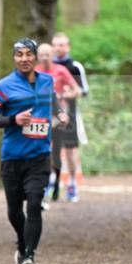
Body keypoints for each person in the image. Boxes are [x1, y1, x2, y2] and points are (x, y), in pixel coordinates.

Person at [0, 38, 66, 264]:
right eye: (19, 55)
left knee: (34, 205)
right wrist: (13, 120)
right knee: (14, 211)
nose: (24, 59)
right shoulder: (4, 86)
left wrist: (61, 115)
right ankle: (21, 243)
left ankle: (29, 255)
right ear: (14, 59)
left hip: (39, 155)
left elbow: (53, 104)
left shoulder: (46, 82)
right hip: (12, 156)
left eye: (28, 54)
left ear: (35, 57)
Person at [35, 43, 81, 206]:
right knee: (47, 151)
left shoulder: (61, 70)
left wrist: (63, 94)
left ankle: (72, 183)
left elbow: (77, 90)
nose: (45, 57)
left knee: (68, 152)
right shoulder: (35, 72)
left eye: (48, 54)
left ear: (52, 54)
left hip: (63, 116)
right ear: (37, 56)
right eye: (42, 55)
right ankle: (49, 182)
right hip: (44, 117)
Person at [51, 32, 89, 202]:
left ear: (68, 46)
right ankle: (52, 180)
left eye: (62, 44)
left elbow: (84, 91)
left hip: (71, 114)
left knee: (71, 150)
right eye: (56, 44)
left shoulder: (75, 66)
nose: (58, 48)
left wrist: (68, 94)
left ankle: (72, 182)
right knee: (50, 148)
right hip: (51, 114)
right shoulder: (47, 66)